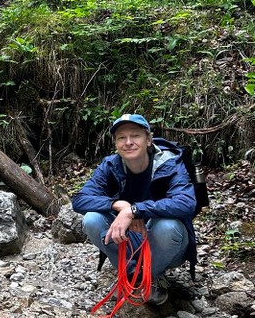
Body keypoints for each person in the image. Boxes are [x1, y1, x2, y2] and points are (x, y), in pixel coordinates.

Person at [72, 113, 197, 305]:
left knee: (168, 226)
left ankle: (152, 276)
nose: (128, 142)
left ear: (148, 139)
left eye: (135, 136)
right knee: (92, 219)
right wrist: (118, 205)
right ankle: (130, 275)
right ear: (116, 144)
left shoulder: (170, 164)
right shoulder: (110, 166)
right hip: (130, 239)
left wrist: (136, 210)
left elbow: (186, 203)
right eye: (122, 137)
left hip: (168, 244)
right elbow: (80, 200)